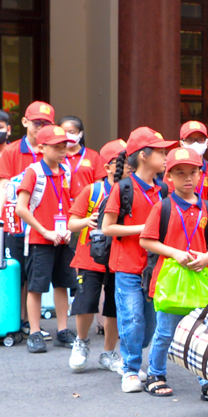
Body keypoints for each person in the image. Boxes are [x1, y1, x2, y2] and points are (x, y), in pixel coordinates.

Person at [140, 147, 208, 399]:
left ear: (201, 175)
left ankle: (206, 380)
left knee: (201, 332)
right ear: (169, 177)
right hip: (168, 279)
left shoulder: (207, 208)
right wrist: (175, 252)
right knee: (165, 330)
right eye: (180, 173)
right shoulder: (163, 207)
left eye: (193, 172)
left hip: (198, 278)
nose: (188, 178)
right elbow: (146, 240)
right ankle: (156, 374)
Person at [101, 127, 178, 394]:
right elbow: (107, 227)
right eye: (160, 152)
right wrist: (144, 229)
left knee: (149, 325)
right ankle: (131, 370)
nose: (166, 156)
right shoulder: (123, 188)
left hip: (155, 266)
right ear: (143, 156)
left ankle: (133, 355)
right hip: (126, 265)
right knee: (132, 319)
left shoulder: (165, 188)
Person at [11, 125, 78, 353]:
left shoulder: (67, 171)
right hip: (40, 240)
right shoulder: (34, 172)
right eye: (57, 147)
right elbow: (21, 208)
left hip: (63, 238)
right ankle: (35, 332)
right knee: (36, 286)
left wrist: (68, 229)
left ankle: (62, 330)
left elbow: (72, 204)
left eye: (64, 147)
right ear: (41, 148)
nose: (63, 151)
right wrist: (45, 231)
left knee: (62, 284)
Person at [66, 139, 126, 374]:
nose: (125, 166)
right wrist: (86, 221)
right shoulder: (93, 190)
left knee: (113, 306)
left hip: (119, 257)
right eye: (119, 162)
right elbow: (71, 223)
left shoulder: (131, 189)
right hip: (89, 256)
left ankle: (109, 352)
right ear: (108, 167)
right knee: (85, 302)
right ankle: (81, 342)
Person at [178, 120, 208, 190]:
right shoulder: (175, 169)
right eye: (190, 140)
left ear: (207, 142)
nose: (195, 144)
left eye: (200, 139)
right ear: (182, 144)